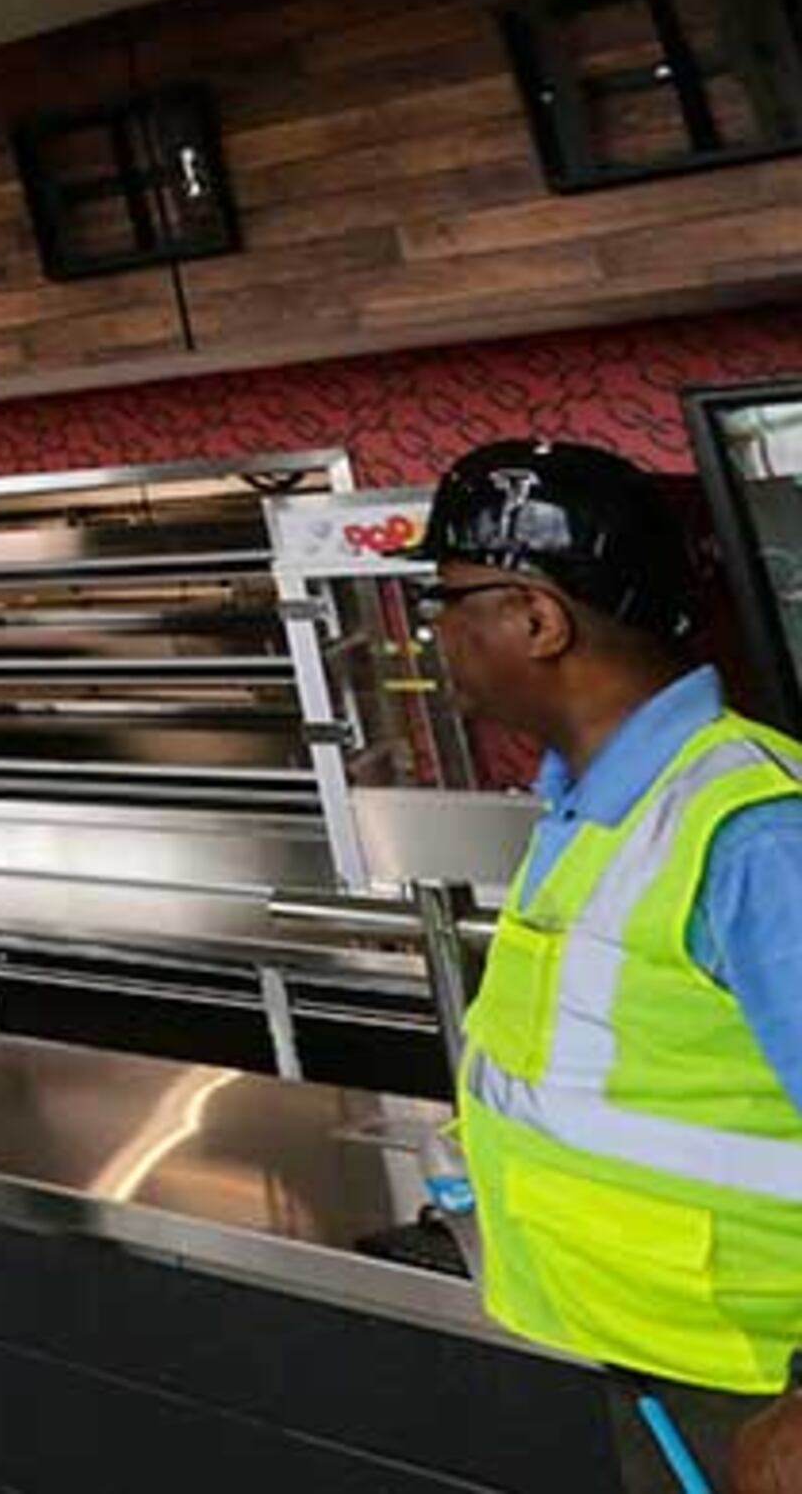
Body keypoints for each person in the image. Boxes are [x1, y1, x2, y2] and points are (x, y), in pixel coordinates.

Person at [428, 440, 802, 1493]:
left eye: (449, 598)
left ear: (540, 619)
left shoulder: (752, 827)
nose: (438, 630)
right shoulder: (596, 806)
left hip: (765, 1389)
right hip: (663, 1359)